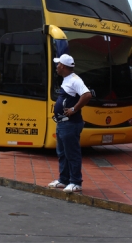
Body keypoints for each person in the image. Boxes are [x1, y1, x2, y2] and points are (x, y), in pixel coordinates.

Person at [47, 54, 92, 193]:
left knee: (71, 153)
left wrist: (74, 109)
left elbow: (87, 95)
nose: (56, 67)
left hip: (70, 124)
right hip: (63, 123)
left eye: (58, 64)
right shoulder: (67, 80)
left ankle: (75, 182)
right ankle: (64, 179)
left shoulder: (74, 80)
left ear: (64, 66)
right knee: (62, 152)